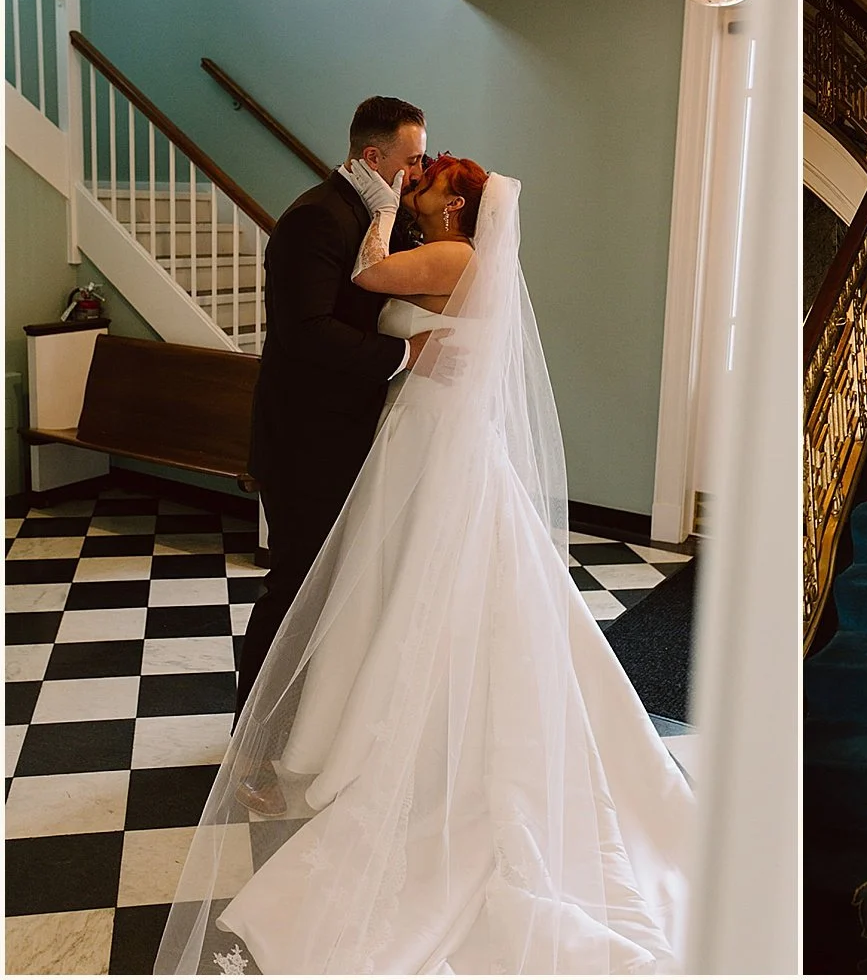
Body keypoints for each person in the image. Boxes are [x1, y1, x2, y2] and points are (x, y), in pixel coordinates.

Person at [156, 156, 694, 974]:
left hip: (432, 434)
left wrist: (380, 204)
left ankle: (402, 725)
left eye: (432, 179)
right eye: (417, 170)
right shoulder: (466, 260)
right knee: (416, 577)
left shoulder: (451, 256)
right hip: (429, 431)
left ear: (457, 203)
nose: (421, 185)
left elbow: (369, 276)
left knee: (415, 577)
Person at [236, 96, 433, 820]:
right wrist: (403, 354)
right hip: (304, 442)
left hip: (355, 436)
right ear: (373, 157)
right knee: (294, 589)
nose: (419, 170)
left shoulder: (384, 217)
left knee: (338, 595)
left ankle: (314, 734)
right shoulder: (315, 218)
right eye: (412, 158)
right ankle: (251, 748)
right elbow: (306, 331)